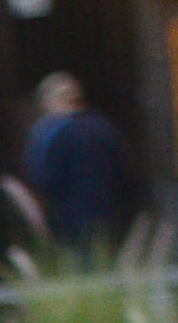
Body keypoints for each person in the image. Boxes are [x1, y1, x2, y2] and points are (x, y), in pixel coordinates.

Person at [19, 71, 135, 253]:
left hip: (68, 219)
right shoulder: (104, 128)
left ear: (49, 101)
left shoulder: (51, 133)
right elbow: (124, 170)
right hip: (108, 214)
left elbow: (42, 178)